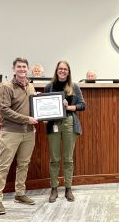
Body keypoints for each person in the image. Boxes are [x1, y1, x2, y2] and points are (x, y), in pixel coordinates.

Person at [0, 57, 38, 215]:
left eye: (24, 67)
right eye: (19, 67)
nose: (22, 69)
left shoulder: (31, 86)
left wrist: (42, 116)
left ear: (28, 69)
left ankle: (20, 194)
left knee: (23, 164)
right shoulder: (7, 86)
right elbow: (4, 109)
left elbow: (33, 107)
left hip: (29, 132)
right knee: (3, 166)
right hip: (11, 132)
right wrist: (26, 119)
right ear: (13, 69)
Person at [44, 61, 85, 203]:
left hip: (69, 122)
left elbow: (82, 105)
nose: (62, 71)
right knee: (54, 159)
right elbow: (45, 106)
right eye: (60, 69)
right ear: (56, 71)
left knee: (68, 159)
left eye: (65, 69)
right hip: (53, 123)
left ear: (68, 71)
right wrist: (44, 116)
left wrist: (69, 107)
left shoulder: (74, 86)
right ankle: (54, 188)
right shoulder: (49, 86)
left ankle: (68, 188)